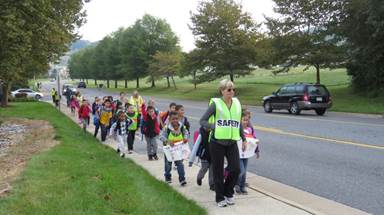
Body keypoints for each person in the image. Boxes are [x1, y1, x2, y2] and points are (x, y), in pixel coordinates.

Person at [200, 79, 246, 207]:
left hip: (231, 142)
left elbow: (238, 123)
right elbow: (202, 121)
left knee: (236, 169)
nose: (232, 92)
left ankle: (228, 192)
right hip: (217, 142)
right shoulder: (216, 104)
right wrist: (212, 126)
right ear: (222, 91)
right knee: (218, 171)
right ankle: (220, 198)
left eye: (233, 89)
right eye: (229, 90)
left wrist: (244, 139)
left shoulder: (237, 103)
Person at [235, 110, 260, 195]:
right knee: (241, 171)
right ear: (240, 120)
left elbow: (254, 140)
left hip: (247, 153)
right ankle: (236, 185)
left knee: (244, 171)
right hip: (238, 154)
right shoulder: (237, 130)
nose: (245, 122)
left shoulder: (250, 130)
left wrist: (257, 150)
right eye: (244, 120)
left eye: (247, 120)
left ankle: (242, 187)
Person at [160, 111, 188, 186]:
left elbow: (186, 133)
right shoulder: (167, 128)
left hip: (178, 149)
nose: (175, 120)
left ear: (178, 119)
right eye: (173, 119)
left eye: (176, 119)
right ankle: (167, 177)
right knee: (168, 164)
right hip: (169, 150)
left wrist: (185, 138)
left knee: (180, 164)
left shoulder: (182, 127)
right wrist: (167, 141)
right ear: (169, 119)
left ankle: (182, 179)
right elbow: (161, 136)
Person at [189, 126, 214, 190]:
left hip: (213, 155)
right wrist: (191, 160)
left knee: (212, 170)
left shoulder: (216, 132)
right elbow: (196, 146)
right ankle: (199, 177)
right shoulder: (202, 134)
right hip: (204, 155)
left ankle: (212, 184)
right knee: (204, 168)